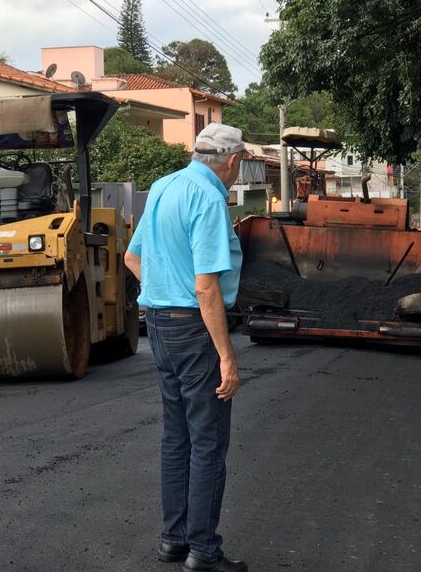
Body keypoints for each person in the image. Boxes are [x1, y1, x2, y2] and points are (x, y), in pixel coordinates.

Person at [124, 123, 248, 572]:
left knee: (176, 438)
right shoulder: (210, 198)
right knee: (209, 443)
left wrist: (162, 290)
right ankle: (204, 552)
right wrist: (227, 359)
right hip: (193, 328)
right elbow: (206, 288)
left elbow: (132, 257)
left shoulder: (162, 186)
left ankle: (173, 541)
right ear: (232, 162)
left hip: (158, 322)